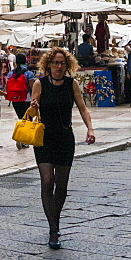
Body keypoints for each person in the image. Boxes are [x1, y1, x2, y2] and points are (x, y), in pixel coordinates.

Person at [30, 47, 95, 250]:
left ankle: (54, 222)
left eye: (62, 63)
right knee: (48, 181)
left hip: (65, 138)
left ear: (67, 65)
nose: (58, 67)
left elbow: (83, 108)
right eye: (55, 63)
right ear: (48, 64)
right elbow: (32, 113)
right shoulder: (39, 84)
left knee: (62, 185)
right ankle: (53, 229)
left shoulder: (71, 84)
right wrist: (33, 107)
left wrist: (90, 128)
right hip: (44, 139)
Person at [5, 52, 35, 149]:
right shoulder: (28, 73)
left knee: (20, 118)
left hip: (15, 99)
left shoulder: (11, 73)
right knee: (28, 119)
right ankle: (23, 140)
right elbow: (31, 87)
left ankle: (19, 137)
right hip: (26, 99)